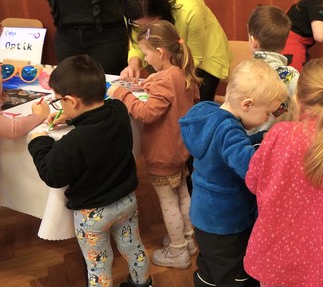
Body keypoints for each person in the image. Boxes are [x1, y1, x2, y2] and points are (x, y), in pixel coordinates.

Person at [27, 55, 152, 287]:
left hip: (92, 214)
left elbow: (51, 174)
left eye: (59, 101)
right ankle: (143, 283)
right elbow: (99, 115)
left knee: (98, 265)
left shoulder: (74, 142)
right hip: (126, 201)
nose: (59, 106)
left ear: (71, 101)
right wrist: (71, 118)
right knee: (134, 248)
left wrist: (38, 142)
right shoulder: (118, 110)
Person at [244, 58, 323, 286]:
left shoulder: (278, 134)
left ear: (297, 99)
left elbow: (253, 182)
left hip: (272, 258)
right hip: (318, 265)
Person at [179, 59, 288, 287]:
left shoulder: (210, 115)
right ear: (247, 104)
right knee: (233, 276)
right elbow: (251, 170)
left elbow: (225, 149)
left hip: (204, 217)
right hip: (226, 224)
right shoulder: (230, 132)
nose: (267, 120)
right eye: (267, 114)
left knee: (210, 268)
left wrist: (258, 138)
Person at [107, 20, 200, 269]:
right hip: (180, 148)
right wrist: (148, 84)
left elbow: (146, 113)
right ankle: (188, 240)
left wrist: (122, 93)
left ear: (160, 52)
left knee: (167, 201)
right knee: (183, 193)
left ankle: (178, 251)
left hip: (162, 153)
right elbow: (176, 98)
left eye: (146, 54)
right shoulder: (181, 72)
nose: (145, 59)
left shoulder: (164, 80)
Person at [120, 0, 232, 101]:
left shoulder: (190, 11)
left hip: (203, 57)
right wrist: (133, 65)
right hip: (169, 61)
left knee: (198, 105)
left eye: (149, 24)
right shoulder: (133, 14)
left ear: (162, 14)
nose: (144, 29)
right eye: (139, 25)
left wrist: (165, 77)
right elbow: (138, 46)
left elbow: (195, 57)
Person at [247, 5, 299, 129]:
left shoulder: (245, 72)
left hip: (244, 138)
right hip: (282, 138)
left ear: (253, 42)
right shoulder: (292, 75)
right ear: (284, 44)